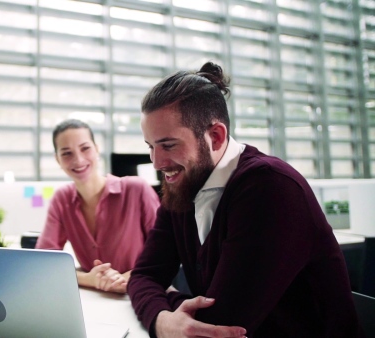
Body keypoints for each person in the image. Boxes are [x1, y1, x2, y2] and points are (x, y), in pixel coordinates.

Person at [128, 62, 363, 337]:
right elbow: (143, 276)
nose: (157, 162)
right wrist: (162, 319)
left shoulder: (269, 187)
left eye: (168, 145)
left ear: (215, 137)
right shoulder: (182, 185)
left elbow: (219, 325)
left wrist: (166, 306)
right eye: (150, 147)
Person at [36, 119, 160, 294]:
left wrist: (121, 279)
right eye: (66, 153)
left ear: (97, 149)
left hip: (144, 292)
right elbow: (42, 263)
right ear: (58, 160)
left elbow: (163, 255)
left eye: (85, 148)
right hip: (95, 297)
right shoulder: (61, 199)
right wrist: (90, 279)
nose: (78, 160)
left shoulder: (136, 189)